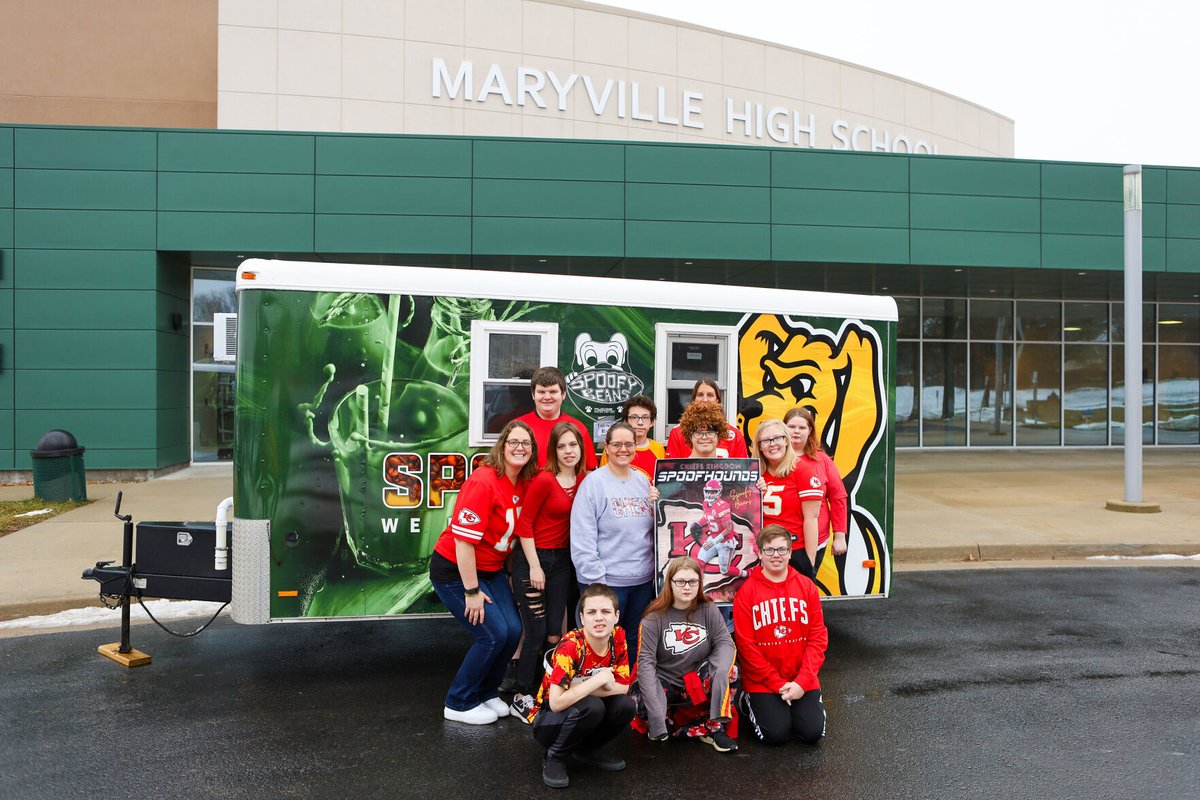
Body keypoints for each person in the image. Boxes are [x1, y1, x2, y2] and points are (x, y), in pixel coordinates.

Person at [429, 420, 540, 724]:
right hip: (456, 571)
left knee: (514, 630)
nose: (519, 448)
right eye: (513, 442)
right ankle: (459, 701)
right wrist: (471, 592)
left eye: (526, 443)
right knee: (492, 634)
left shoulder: (524, 481)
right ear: (502, 445)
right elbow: (464, 543)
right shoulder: (484, 480)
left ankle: (486, 691)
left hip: (490, 570)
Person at [509, 422, 588, 719]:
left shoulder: (584, 480)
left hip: (562, 562)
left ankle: (547, 689)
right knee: (535, 632)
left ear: (581, 448)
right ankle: (521, 694)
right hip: (533, 559)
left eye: (573, 445)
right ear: (554, 450)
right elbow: (524, 525)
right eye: (562, 446)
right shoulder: (544, 480)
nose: (569, 451)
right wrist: (533, 566)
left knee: (556, 633)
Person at [526, 584, 636, 789]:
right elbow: (557, 703)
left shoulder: (618, 635)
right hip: (547, 721)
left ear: (616, 616)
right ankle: (554, 757)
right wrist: (597, 680)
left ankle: (589, 750)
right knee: (592, 706)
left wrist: (579, 687)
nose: (599, 618)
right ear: (582, 618)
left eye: (605, 611)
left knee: (626, 706)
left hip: (576, 706)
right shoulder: (571, 645)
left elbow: (623, 686)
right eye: (591, 612)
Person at [733, 524, 828, 746]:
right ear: (759, 553)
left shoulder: (807, 587)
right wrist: (776, 683)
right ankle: (747, 701)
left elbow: (818, 638)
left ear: (790, 552)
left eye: (782, 550)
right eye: (769, 550)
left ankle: (795, 703)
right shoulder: (746, 593)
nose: (776, 555)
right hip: (763, 682)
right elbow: (746, 646)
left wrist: (803, 682)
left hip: (801, 678)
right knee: (775, 735)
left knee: (811, 733)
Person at [570, 422, 657, 659]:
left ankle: (625, 690)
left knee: (630, 639)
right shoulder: (593, 484)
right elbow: (582, 538)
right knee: (602, 642)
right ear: (606, 448)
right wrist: (597, 585)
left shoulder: (642, 482)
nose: (623, 449)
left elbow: (652, 530)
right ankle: (600, 692)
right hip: (607, 581)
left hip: (641, 580)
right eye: (616, 444)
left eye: (629, 444)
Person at [634, 557, 737, 751]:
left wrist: (720, 671)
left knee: (731, 671)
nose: (687, 587)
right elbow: (645, 663)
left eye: (693, 581)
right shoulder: (653, 618)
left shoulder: (708, 609)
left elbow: (724, 642)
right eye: (680, 581)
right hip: (666, 680)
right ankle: (664, 724)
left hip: (696, 678)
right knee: (640, 695)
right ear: (670, 583)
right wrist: (656, 718)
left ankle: (716, 728)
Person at [754, 418, 824, 580]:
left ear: (786, 440)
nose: (772, 444)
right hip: (763, 551)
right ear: (759, 447)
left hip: (794, 550)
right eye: (766, 440)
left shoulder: (802, 470)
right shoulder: (756, 474)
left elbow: (811, 518)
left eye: (777, 438)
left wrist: (810, 559)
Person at [785, 407, 849, 566]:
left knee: (805, 587)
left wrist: (840, 536)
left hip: (816, 540)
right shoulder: (773, 459)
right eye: (791, 427)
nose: (796, 431)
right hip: (778, 542)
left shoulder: (822, 460)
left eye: (802, 427)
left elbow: (838, 497)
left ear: (810, 431)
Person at [516, 366, 598, 470]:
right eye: (541, 392)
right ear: (533, 395)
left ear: (563, 394)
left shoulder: (578, 428)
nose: (547, 397)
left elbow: (588, 470)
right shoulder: (518, 427)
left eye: (553, 392)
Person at [664, 378, 749, 458]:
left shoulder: (735, 435)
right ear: (694, 400)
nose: (705, 400)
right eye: (700, 395)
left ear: (717, 401)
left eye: (710, 395)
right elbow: (671, 468)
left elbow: (744, 470)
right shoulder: (678, 433)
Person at [600, 394, 664, 480]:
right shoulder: (614, 447)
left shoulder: (658, 448)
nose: (640, 422)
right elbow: (603, 478)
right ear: (626, 421)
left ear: (652, 422)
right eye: (634, 417)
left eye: (645, 417)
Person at [694, 478, 740, 578]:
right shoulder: (705, 503)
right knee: (699, 562)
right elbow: (708, 517)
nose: (709, 494)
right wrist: (698, 523)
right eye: (708, 492)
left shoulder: (722, 506)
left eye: (713, 492)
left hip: (725, 542)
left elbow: (728, 529)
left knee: (725, 571)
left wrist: (713, 542)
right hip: (713, 537)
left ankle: (746, 573)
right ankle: (698, 587)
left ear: (719, 493)